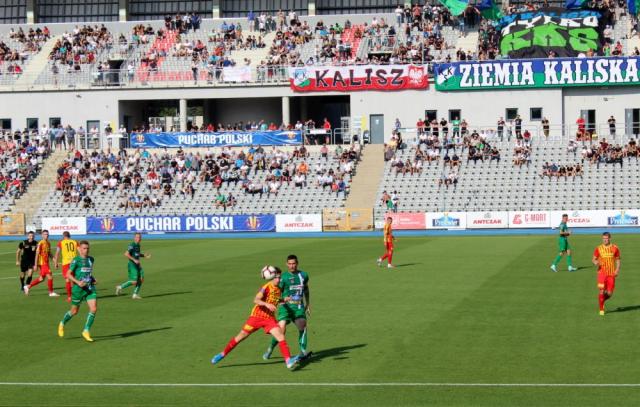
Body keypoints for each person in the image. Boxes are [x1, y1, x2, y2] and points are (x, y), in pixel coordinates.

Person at [212, 267, 300, 370]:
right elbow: (256, 299)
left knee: (280, 335)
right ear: (272, 277)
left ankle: (288, 361)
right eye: (277, 277)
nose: (279, 279)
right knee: (240, 337)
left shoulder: (278, 289)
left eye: (280, 277)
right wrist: (266, 304)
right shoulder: (266, 287)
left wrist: (285, 299)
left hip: (269, 319)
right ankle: (222, 354)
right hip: (256, 317)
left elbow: (275, 300)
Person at [263, 254, 311, 360]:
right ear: (286, 264)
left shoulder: (304, 275)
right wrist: (281, 299)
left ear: (297, 263)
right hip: (285, 307)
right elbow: (276, 293)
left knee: (303, 327)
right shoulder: (283, 277)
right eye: (290, 264)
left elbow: (306, 289)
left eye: (294, 263)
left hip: (298, 307)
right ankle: (270, 349)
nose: (292, 266)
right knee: (281, 330)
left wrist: (307, 303)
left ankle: (303, 351)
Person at [57, 240, 97, 342]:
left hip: (89, 288)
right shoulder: (76, 260)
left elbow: (88, 273)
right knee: (74, 311)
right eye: (84, 248)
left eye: (87, 248)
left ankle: (86, 331)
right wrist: (78, 282)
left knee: (93, 309)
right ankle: (62, 323)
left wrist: (92, 279)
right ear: (79, 249)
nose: (86, 250)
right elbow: (68, 274)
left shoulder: (91, 259)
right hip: (78, 289)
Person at [592, 232, 620, 316]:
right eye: (603, 238)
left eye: (606, 238)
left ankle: (602, 301)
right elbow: (593, 259)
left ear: (609, 238)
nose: (605, 240)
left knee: (609, 293)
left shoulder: (615, 248)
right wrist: (596, 262)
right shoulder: (598, 248)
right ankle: (601, 310)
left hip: (611, 274)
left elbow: (618, 260)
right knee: (601, 291)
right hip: (602, 273)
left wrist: (617, 270)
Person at [116, 233, 150, 299]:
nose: (138, 238)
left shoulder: (138, 245)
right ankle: (120, 287)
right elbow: (126, 254)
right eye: (137, 237)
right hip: (132, 265)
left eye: (139, 237)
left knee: (141, 279)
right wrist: (134, 260)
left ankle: (135, 294)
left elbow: (137, 254)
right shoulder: (132, 245)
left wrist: (144, 255)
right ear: (134, 238)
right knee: (134, 281)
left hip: (138, 265)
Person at [24, 230, 58, 297]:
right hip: (42, 263)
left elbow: (49, 253)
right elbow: (37, 254)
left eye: (47, 234)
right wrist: (35, 265)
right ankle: (51, 292)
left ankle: (27, 287)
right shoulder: (40, 243)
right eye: (45, 234)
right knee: (50, 276)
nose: (46, 235)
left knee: (41, 279)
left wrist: (55, 262)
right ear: (42, 235)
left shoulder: (48, 243)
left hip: (46, 263)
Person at [54, 231, 78, 302]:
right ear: (69, 236)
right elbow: (80, 251)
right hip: (74, 262)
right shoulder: (75, 242)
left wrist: (56, 263)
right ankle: (76, 295)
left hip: (66, 263)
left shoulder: (61, 242)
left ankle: (69, 297)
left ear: (63, 236)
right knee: (73, 279)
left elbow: (57, 253)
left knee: (67, 279)